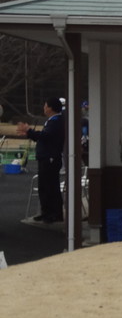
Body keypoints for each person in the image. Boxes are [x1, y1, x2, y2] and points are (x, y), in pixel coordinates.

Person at [17, 96, 66, 224]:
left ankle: (53, 213)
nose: (44, 108)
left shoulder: (56, 121)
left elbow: (45, 136)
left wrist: (29, 131)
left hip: (50, 158)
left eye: (45, 105)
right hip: (47, 157)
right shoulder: (53, 121)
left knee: (50, 186)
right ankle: (46, 212)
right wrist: (29, 133)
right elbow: (43, 136)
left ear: (50, 108)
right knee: (45, 186)